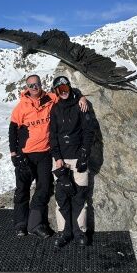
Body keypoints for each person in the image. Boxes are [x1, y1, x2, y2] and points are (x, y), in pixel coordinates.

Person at [9, 74, 88, 239]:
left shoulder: (50, 98)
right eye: (31, 85)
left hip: (45, 153)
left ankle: (35, 224)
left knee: (44, 188)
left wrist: (82, 97)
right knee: (22, 189)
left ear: (41, 85)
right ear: (27, 88)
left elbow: (66, 93)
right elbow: (12, 130)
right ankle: (20, 224)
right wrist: (13, 153)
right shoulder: (20, 107)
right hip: (25, 154)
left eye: (37, 84)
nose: (34, 87)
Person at [50, 76, 94, 248]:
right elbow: (52, 136)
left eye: (66, 88)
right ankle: (63, 232)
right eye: (60, 89)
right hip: (61, 160)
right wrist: (57, 158)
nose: (63, 91)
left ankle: (79, 232)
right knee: (61, 197)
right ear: (56, 91)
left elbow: (88, 131)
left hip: (79, 158)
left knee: (79, 196)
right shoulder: (54, 110)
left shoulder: (81, 106)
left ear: (69, 88)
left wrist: (84, 154)